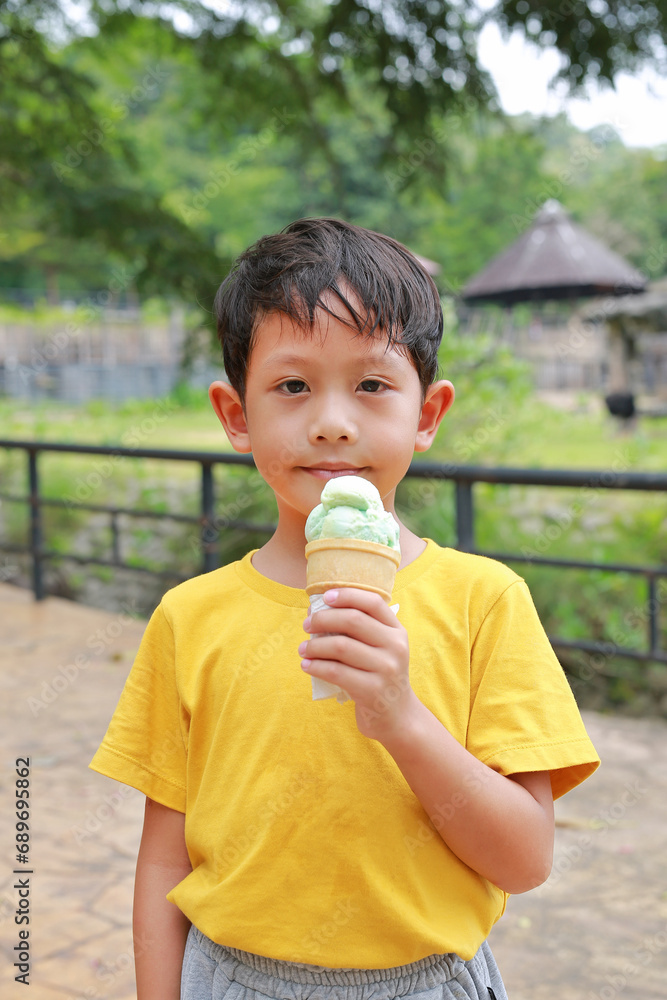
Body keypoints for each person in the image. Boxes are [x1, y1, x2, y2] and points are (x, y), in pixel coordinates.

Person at [90, 217, 600, 1000]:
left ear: (425, 414)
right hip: (232, 979)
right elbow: (165, 860)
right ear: (235, 414)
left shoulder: (484, 602)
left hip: (427, 982)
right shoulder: (189, 618)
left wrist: (399, 715)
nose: (331, 420)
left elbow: (524, 859)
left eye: (370, 385)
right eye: (292, 386)